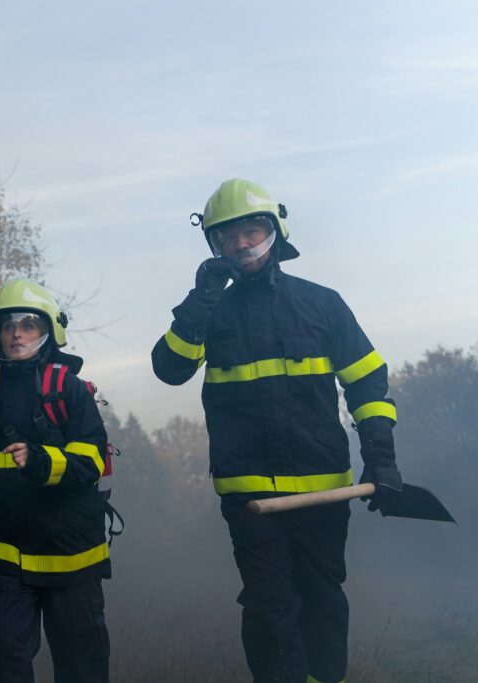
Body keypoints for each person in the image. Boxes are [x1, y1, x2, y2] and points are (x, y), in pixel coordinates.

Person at [151, 179, 403, 683]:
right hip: (249, 498)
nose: (243, 244)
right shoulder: (209, 312)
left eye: (253, 231)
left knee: (323, 601)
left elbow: (366, 381)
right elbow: (169, 368)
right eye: (229, 237)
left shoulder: (323, 304)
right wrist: (198, 302)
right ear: (215, 247)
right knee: (270, 606)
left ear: (275, 231)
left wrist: (380, 453)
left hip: (324, 491)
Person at [0, 279, 111, 683]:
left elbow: (91, 460)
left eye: (28, 324)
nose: (16, 333)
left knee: (81, 667)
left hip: (71, 554)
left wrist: (41, 462)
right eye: (6, 326)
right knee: (1, 658)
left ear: (50, 330)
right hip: (3, 554)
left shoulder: (72, 391)